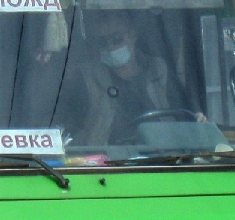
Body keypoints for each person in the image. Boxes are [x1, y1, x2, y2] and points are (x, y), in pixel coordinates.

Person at [59, 11, 179, 146]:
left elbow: (182, 114)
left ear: (132, 35)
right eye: (102, 42)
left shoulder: (159, 70)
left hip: (163, 156)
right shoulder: (85, 77)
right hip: (108, 160)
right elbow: (69, 127)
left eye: (116, 38)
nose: (109, 46)